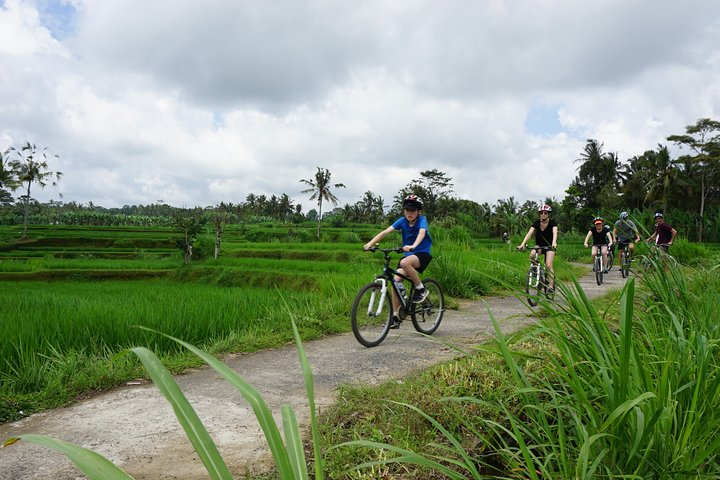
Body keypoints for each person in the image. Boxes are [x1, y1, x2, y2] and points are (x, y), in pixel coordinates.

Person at [363, 194, 432, 328]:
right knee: (395, 281)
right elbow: (385, 232)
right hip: (409, 255)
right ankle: (396, 316)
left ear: (418, 212)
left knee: (405, 263)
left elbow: (422, 233)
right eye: (407, 210)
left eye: (413, 210)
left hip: (422, 254)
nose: (409, 213)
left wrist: (413, 246)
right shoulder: (402, 221)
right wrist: (369, 244)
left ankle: (421, 290)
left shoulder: (422, 221)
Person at [517, 204, 558, 292]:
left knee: (548, 265)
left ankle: (551, 286)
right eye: (541, 213)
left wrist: (554, 242)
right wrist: (522, 244)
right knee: (532, 255)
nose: (543, 214)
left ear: (548, 214)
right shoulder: (536, 223)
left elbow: (555, 233)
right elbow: (529, 234)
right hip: (539, 246)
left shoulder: (552, 223)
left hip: (550, 246)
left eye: (545, 213)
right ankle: (535, 270)